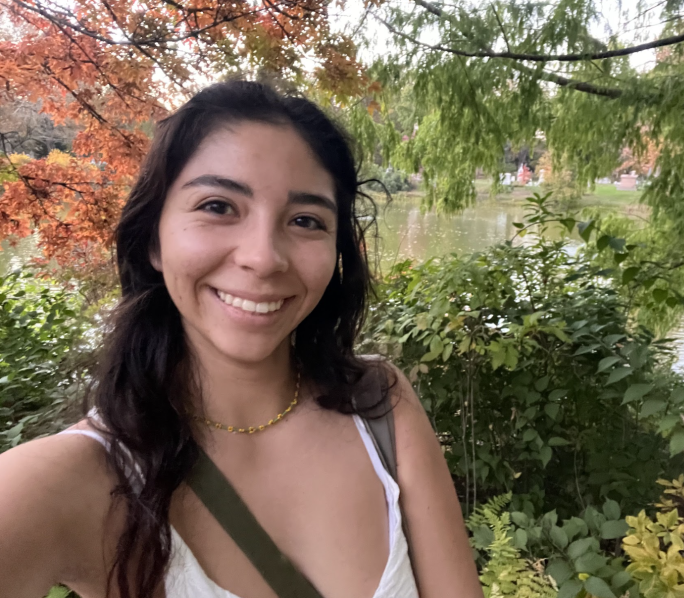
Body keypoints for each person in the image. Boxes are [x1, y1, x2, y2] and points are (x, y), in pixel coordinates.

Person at [0, 81, 482, 598]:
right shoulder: (74, 479)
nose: (263, 257)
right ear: (154, 242)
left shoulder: (380, 405)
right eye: (218, 206)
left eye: (305, 220)